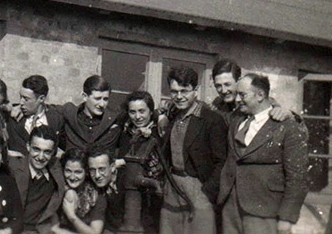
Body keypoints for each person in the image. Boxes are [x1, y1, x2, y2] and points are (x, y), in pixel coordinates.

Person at [218, 74, 308, 234]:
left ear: (260, 95)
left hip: (265, 211)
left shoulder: (286, 126)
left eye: (242, 95)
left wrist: (287, 218)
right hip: (230, 208)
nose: (237, 99)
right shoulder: (236, 119)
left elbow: (297, 177)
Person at [0, 125, 66, 234]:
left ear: (53, 153)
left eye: (47, 152)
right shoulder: (13, 165)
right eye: (36, 149)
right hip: (10, 229)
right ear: (28, 146)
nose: (41, 156)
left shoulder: (55, 170)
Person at [159, 66, 227, 234]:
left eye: (184, 91)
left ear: (195, 90)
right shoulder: (172, 115)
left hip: (199, 190)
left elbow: (222, 162)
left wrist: (207, 192)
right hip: (172, 188)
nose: (179, 96)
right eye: (174, 91)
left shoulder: (211, 119)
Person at [116, 91, 164, 233]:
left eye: (142, 111)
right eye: (133, 112)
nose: (137, 117)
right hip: (126, 196)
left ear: (151, 111)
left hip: (151, 198)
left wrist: (160, 116)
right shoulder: (124, 132)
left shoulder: (159, 132)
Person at [56, 76, 124, 155]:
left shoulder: (115, 120)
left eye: (105, 99)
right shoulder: (69, 115)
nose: (102, 104)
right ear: (85, 97)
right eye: (97, 98)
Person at [7, 75, 65, 156]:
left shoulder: (56, 119)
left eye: (26, 99)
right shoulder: (13, 116)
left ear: (41, 99)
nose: (21, 102)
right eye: (20, 97)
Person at [52, 148, 104, 234]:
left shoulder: (96, 196)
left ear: (86, 172)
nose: (72, 177)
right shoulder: (56, 190)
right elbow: (50, 228)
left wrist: (71, 216)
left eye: (78, 172)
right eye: (68, 171)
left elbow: (95, 232)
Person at [86, 150, 123, 234]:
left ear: (113, 167)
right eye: (92, 170)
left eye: (102, 169)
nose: (97, 175)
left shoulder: (126, 181)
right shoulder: (92, 185)